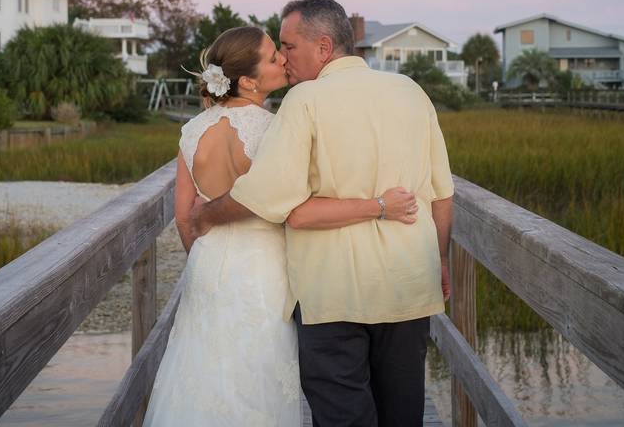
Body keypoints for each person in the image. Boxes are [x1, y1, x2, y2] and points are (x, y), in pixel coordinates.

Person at [188, 0, 455, 427]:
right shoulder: (412, 92)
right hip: (408, 285)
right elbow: (442, 194)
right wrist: (440, 260)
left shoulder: (305, 99)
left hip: (334, 295)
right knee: (403, 414)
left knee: (343, 418)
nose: (285, 58)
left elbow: (269, 192)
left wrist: (206, 216)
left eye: (290, 47)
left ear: (324, 47)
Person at [143, 25, 419, 427]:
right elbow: (293, 203)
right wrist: (378, 205)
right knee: (261, 379)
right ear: (250, 80)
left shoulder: (191, 132)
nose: (284, 60)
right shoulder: (274, 130)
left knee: (203, 371)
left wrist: (209, 256)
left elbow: (186, 216)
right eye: (274, 57)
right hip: (266, 269)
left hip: (209, 267)